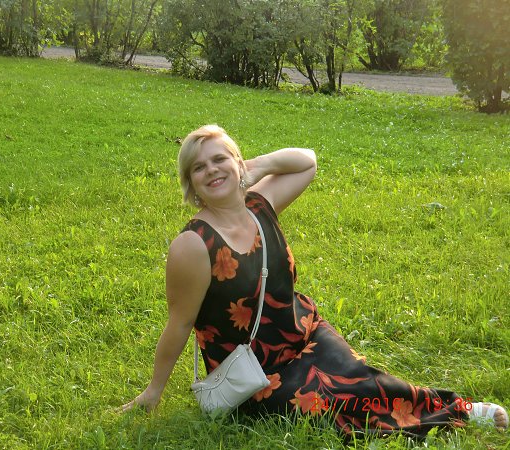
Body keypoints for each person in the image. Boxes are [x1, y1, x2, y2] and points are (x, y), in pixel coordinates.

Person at [120, 124, 508, 436]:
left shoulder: (260, 205)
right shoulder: (193, 244)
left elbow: (307, 162)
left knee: (361, 379)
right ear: (191, 184)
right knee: (338, 402)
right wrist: (153, 392)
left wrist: (255, 165)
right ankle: (456, 413)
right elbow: (180, 323)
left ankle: (459, 410)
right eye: (199, 167)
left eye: (219, 159)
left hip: (305, 333)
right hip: (256, 376)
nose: (211, 170)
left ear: (239, 164)